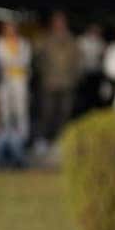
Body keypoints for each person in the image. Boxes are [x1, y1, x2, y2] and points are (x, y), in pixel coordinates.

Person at [36, 11, 80, 142]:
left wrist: (74, 79)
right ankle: (44, 139)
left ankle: (62, 139)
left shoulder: (72, 40)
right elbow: (39, 62)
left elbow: (77, 63)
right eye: (56, 21)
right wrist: (45, 78)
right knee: (47, 112)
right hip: (50, 83)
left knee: (65, 112)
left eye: (61, 21)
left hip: (67, 83)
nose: (59, 24)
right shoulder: (45, 40)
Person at [0, 19, 33, 143]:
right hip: (4, 80)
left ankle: (23, 138)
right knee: (5, 108)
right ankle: (6, 136)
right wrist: (14, 62)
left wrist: (13, 63)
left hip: (20, 80)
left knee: (21, 109)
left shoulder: (24, 43)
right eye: (7, 27)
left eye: (12, 27)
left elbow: (25, 61)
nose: (10, 30)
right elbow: (1, 60)